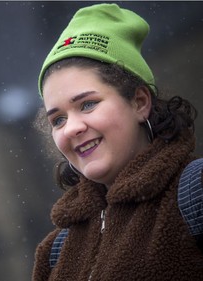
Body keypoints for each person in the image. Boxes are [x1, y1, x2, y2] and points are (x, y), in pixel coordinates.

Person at [32, 3, 203, 281]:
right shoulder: (55, 251)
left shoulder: (195, 194)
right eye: (58, 120)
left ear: (139, 102)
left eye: (87, 104)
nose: (72, 128)